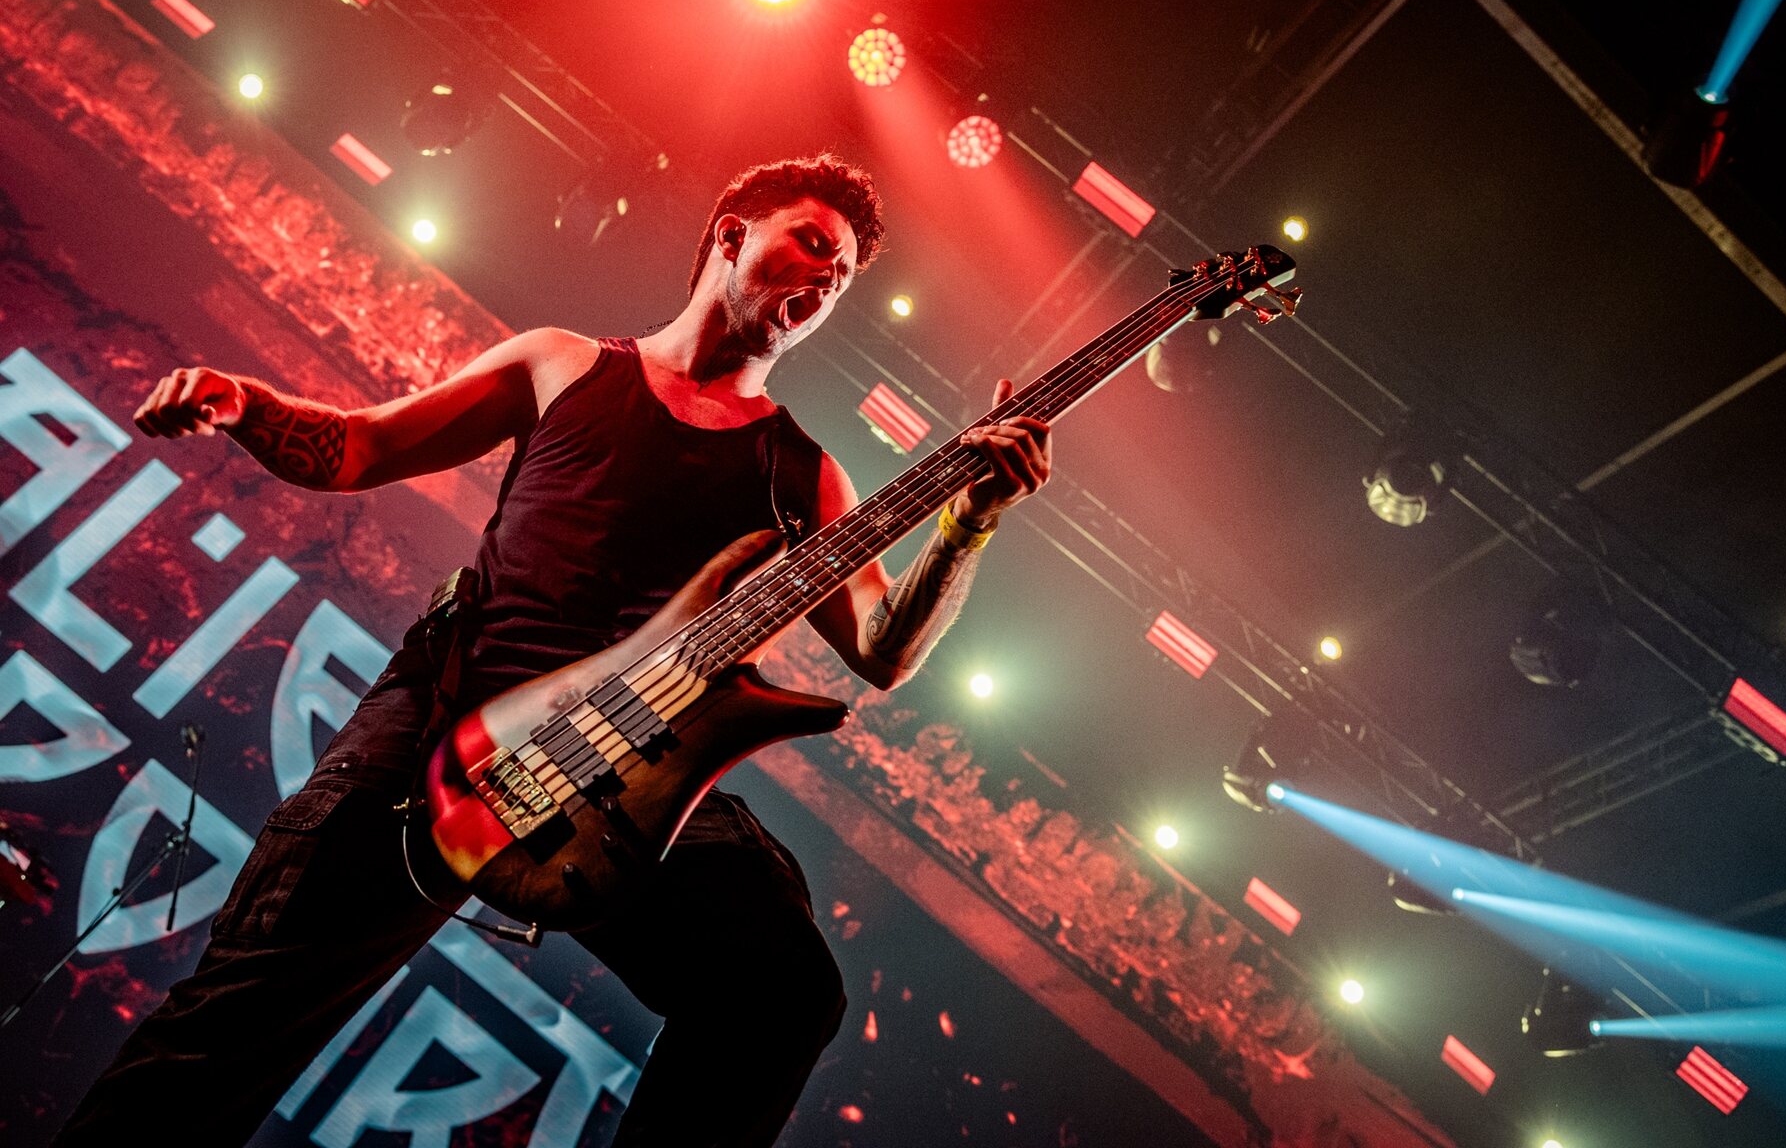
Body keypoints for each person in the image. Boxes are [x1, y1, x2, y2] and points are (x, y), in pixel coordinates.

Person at [55, 154, 1053, 1147]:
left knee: (780, 990)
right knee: (225, 1033)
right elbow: (359, 447)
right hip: (444, 729)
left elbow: (882, 648)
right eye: (813, 244)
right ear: (731, 232)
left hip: (622, 772)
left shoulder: (801, 471)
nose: (827, 279)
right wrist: (240, 401)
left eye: (843, 279)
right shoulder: (566, 363)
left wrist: (968, 524)